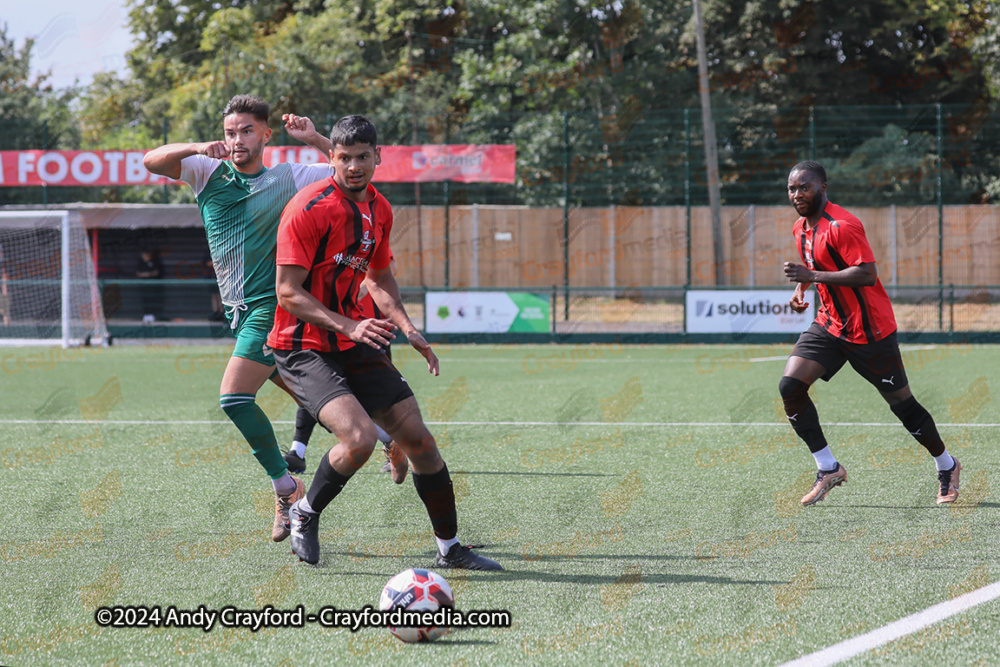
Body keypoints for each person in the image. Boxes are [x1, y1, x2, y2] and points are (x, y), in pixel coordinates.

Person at [268, 115, 501, 570]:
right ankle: (305, 511)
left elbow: (379, 276)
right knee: (356, 439)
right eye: (343, 157)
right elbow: (287, 293)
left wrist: (408, 327)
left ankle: (450, 548)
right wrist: (351, 326)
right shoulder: (307, 208)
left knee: (419, 441)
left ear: (378, 156)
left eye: (362, 157)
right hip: (302, 344)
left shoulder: (380, 209)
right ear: (330, 157)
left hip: (353, 338)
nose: (353, 166)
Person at [142, 94, 337, 543]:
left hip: (274, 307)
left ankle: (286, 489)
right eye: (231, 132)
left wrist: (315, 138)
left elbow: (348, 169)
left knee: (233, 399)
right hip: (239, 311)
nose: (237, 139)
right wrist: (196, 146)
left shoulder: (290, 176)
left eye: (247, 130)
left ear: (266, 135)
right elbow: (151, 160)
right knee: (313, 397)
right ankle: (388, 434)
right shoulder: (205, 170)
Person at [780, 160, 961, 506]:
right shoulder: (800, 228)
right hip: (829, 325)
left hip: (870, 332)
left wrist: (812, 277)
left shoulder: (843, 225)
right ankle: (828, 467)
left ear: (823, 188)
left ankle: (947, 465)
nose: (797, 194)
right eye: (792, 188)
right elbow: (817, 268)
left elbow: (866, 274)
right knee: (790, 386)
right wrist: (802, 288)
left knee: (903, 406)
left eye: (805, 186)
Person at [284, 253, 408, 484]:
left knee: (372, 399)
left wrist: (357, 285)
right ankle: (297, 452)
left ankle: (391, 442)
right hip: (332, 327)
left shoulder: (366, 233)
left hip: (368, 327)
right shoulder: (319, 241)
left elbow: (390, 265)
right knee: (316, 390)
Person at [136, 248, 165, 322]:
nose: (144, 256)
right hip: (144, 286)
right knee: (145, 300)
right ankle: (146, 315)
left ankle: (154, 315)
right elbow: (138, 273)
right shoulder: (141, 263)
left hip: (154, 286)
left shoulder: (154, 261)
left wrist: (148, 274)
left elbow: (157, 272)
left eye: (145, 254)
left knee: (153, 300)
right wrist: (143, 275)